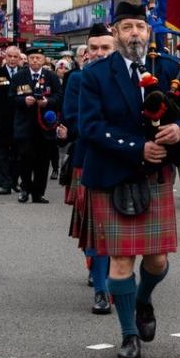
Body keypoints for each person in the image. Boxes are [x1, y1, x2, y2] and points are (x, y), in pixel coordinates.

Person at [78, 1, 180, 358]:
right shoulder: (96, 76)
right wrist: (138, 148)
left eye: (141, 26)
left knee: (157, 261)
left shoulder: (169, 70)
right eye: (128, 27)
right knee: (120, 263)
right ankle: (128, 334)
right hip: (114, 175)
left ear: (149, 32)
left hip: (155, 177)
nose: (135, 33)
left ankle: (144, 299)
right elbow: (89, 127)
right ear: (115, 33)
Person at [62, 23, 115, 315]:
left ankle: (110, 278)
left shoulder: (130, 77)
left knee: (113, 231)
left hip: (122, 161)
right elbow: (73, 121)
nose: (98, 53)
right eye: (93, 48)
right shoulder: (77, 81)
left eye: (105, 48)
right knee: (94, 232)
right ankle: (100, 289)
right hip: (89, 160)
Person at [11, 49, 62, 204]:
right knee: (25, 160)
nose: (34, 61)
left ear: (43, 60)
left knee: (42, 162)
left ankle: (38, 193)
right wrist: (23, 101)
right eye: (32, 58)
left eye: (38, 58)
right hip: (25, 126)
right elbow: (11, 97)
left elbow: (59, 96)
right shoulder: (19, 76)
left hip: (44, 127)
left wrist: (48, 102)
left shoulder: (51, 77)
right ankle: (25, 189)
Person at [0, 47, 22, 194]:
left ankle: (14, 180)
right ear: (4, 57)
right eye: (10, 56)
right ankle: (5, 183)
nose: (12, 59)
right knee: (2, 153)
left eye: (15, 56)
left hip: (20, 120)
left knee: (17, 154)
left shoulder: (23, 73)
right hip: (1, 120)